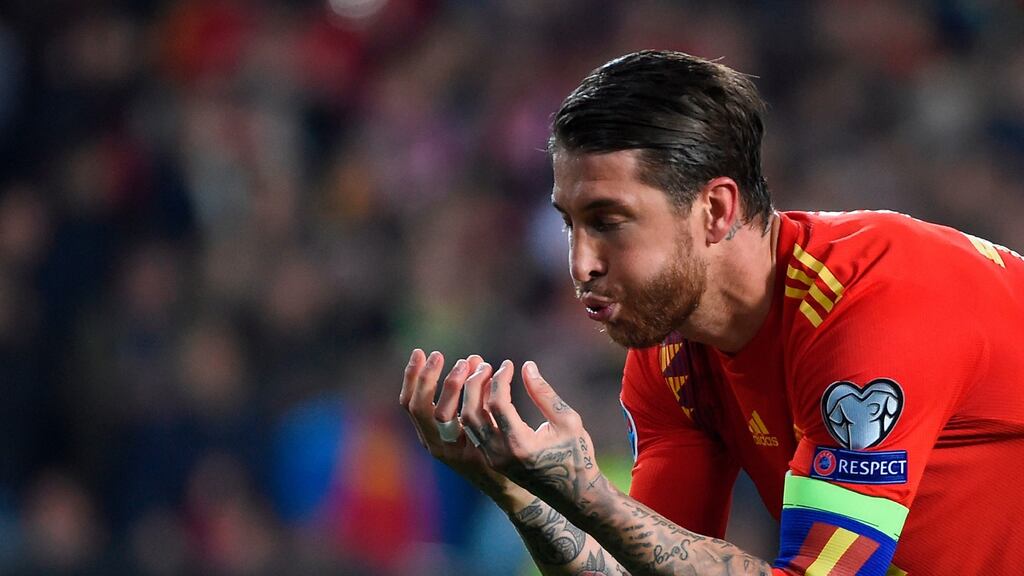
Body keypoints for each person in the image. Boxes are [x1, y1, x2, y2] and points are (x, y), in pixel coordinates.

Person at [399, 50, 1024, 575]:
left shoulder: (871, 311)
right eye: (570, 224)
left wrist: (589, 492)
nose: (581, 264)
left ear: (717, 210)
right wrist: (524, 495)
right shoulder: (671, 350)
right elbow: (653, 562)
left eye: (608, 223)